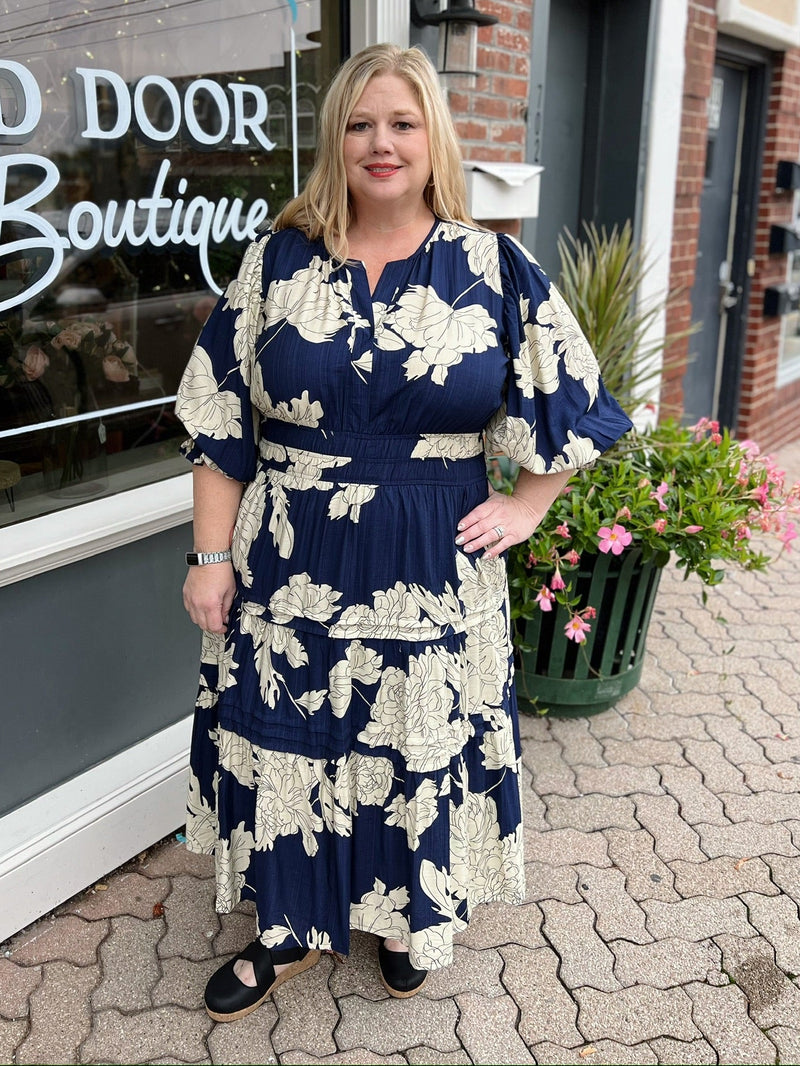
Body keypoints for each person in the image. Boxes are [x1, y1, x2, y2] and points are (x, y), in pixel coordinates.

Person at [175, 43, 632, 1021]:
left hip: (433, 563)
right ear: (335, 140)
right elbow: (219, 417)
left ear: (433, 141)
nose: (380, 144)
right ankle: (287, 926)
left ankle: (405, 916)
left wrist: (525, 505)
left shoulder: (490, 265)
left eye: (402, 123)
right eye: (358, 124)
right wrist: (210, 557)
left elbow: (576, 397)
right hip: (292, 555)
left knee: (410, 742)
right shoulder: (278, 258)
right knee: (293, 734)